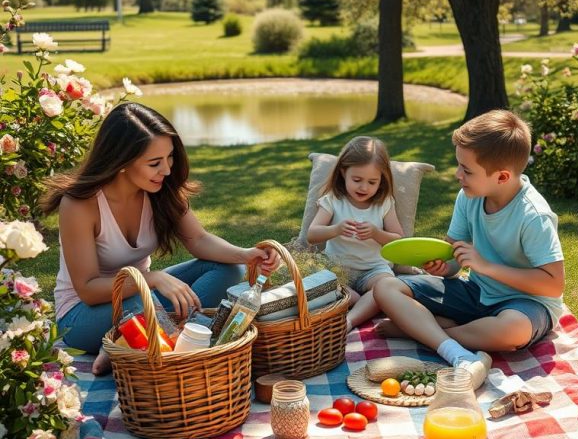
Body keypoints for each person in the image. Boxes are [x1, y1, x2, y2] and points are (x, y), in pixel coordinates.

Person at [42, 103, 280, 374]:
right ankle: (162, 338)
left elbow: (198, 239)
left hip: (146, 299)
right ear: (120, 162)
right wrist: (151, 279)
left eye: (169, 158)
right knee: (141, 304)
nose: (166, 170)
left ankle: (136, 343)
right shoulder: (80, 205)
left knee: (227, 269)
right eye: (154, 163)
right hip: (83, 313)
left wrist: (245, 254)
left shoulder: (160, 189)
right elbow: (88, 288)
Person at [373, 110, 564, 389]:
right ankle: (450, 343)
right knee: (386, 287)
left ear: (502, 177)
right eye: (459, 165)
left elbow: (553, 285)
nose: (457, 174)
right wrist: (443, 266)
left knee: (512, 329)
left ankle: (424, 331)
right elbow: (453, 263)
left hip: (525, 304)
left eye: (467, 170)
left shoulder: (533, 216)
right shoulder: (469, 196)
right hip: (476, 293)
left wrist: (486, 266)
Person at [306, 136, 404, 332]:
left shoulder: (384, 203)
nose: (364, 187)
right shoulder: (333, 200)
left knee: (387, 287)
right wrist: (336, 229)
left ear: (382, 180)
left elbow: (398, 239)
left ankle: (349, 320)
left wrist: (376, 233)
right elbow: (312, 234)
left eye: (372, 182)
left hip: (373, 269)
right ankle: (357, 300)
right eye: (357, 180)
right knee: (315, 278)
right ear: (343, 172)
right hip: (338, 269)